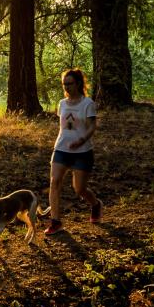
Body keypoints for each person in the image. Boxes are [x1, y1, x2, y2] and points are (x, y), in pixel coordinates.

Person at [43, 68, 103, 236]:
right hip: (61, 148)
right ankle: (55, 221)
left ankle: (96, 204)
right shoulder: (62, 104)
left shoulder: (87, 104)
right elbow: (64, 126)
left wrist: (81, 140)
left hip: (83, 151)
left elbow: (92, 126)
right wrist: (67, 140)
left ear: (78, 83)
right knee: (54, 182)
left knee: (79, 189)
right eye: (64, 84)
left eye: (70, 83)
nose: (67, 87)